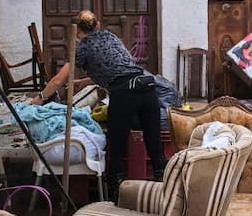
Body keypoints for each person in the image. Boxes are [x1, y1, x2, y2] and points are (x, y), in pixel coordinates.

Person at [30, 10, 165, 201]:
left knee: (117, 149)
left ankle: (117, 198)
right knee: (155, 146)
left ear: (77, 32)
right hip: (147, 90)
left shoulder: (83, 47)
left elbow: (60, 79)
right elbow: (117, 68)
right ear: (98, 25)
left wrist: (40, 97)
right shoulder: (110, 37)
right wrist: (83, 82)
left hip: (125, 95)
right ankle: (165, 194)